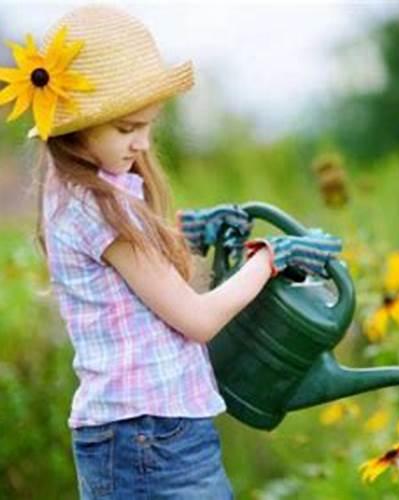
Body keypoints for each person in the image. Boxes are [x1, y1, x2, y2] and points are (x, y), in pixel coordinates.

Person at [0, 5, 341, 499]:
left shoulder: (88, 189)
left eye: (148, 125)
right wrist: (269, 259)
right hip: (150, 437)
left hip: (140, 433)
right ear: (77, 126)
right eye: (126, 129)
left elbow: (131, 271)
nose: (142, 142)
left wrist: (189, 233)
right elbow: (197, 320)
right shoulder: (98, 206)